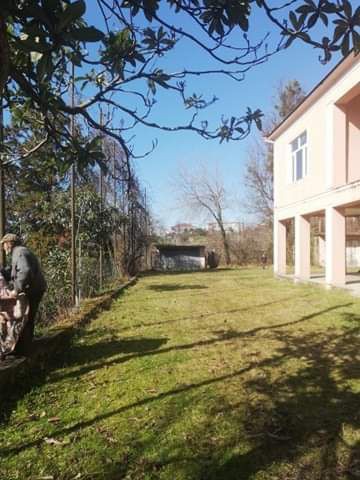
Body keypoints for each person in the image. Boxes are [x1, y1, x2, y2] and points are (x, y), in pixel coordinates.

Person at [0, 233, 47, 356]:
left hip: (33, 290)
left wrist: (16, 289)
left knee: (26, 318)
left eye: (4, 245)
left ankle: (24, 350)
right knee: (27, 318)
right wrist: (2, 271)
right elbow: (14, 270)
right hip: (36, 289)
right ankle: (23, 347)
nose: (3, 248)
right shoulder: (20, 252)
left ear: (9, 243)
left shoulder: (19, 252)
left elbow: (25, 271)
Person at [0, 272, 29, 360]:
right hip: (6, 311)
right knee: (4, 327)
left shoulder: (3, 280)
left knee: (9, 327)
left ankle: (7, 351)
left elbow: (9, 294)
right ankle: (5, 351)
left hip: (9, 311)